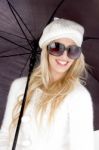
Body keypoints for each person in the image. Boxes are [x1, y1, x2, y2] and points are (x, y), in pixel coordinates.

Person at [0, 17, 94, 150]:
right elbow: (5, 135)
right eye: (57, 48)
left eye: (72, 50)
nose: (64, 56)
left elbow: (82, 147)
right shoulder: (20, 86)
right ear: (46, 51)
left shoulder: (78, 95)